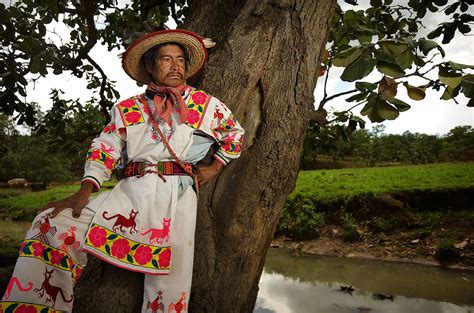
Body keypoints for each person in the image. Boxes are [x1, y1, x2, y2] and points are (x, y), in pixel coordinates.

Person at [1, 29, 244, 312]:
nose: (176, 66)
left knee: (170, 283)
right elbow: (105, 148)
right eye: (166, 59)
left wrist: (214, 168)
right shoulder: (128, 108)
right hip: (130, 193)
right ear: (150, 66)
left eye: (180, 59)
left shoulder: (205, 104)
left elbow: (234, 133)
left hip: (176, 197)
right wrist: (84, 190)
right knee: (50, 223)